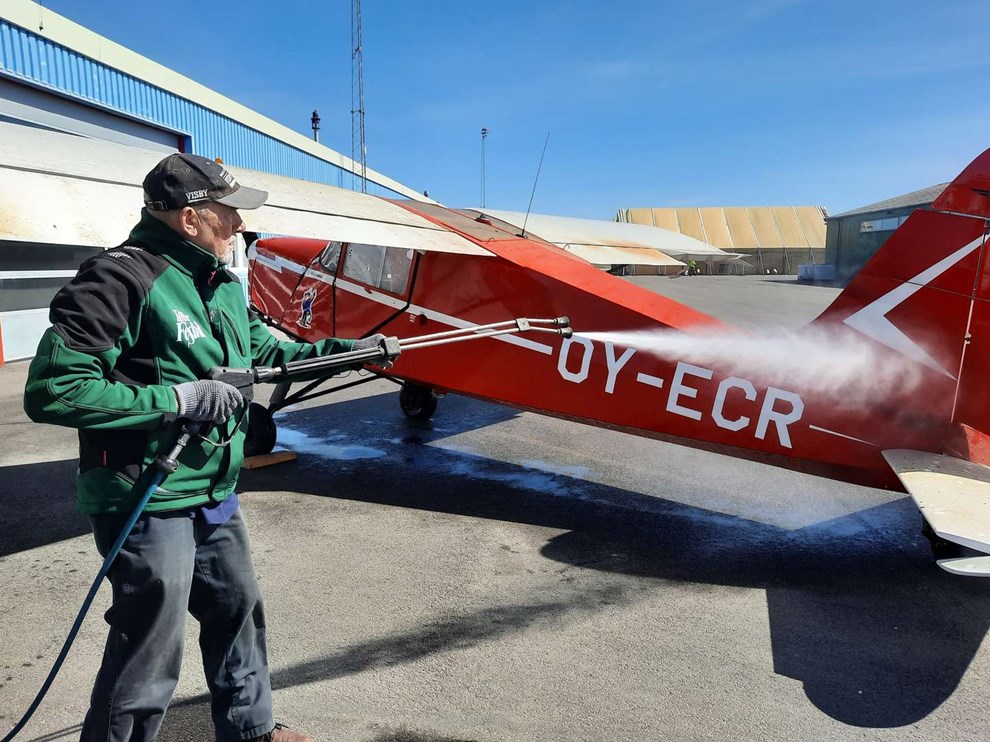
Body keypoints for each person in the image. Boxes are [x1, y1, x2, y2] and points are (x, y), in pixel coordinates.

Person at [24, 153, 386, 742]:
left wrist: (357, 349)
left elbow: (267, 356)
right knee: (148, 651)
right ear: (190, 219)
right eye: (228, 214)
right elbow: (53, 389)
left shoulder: (221, 285)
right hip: (146, 494)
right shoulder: (120, 278)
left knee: (238, 613)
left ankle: (251, 731)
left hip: (214, 490)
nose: (239, 226)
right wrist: (176, 400)